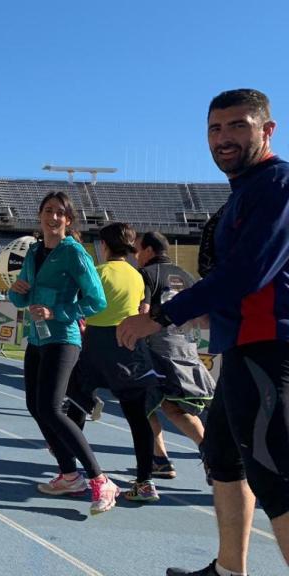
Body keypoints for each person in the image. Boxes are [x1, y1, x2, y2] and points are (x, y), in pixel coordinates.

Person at [118, 89, 289, 575]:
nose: (224, 138)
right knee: (223, 459)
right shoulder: (244, 193)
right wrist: (209, 313)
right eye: (215, 129)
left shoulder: (277, 183)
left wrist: (162, 315)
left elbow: (249, 272)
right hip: (240, 347)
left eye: (238, 126)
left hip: (269, 349)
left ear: (267, 130)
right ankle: (230, 569)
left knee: (275, 476)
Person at [8, 191, 119, 516]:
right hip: (37, 339)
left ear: (68, 220)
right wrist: (17, 293)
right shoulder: (34, 252)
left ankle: (100, 479)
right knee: (35, 405)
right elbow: (22, 300)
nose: (52, 217)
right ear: (40, 215)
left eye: (59, 213)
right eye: (47, 210)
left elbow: (96, 300)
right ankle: (69, 474)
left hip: (63, 338)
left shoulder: (74, 253)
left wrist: (56, 312)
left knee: (51, 407)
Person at [77, 223, 161, 503]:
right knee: (138, 417)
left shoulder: (98, 272)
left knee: (73, 403)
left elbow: (84, 305)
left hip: (97, 343)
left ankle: (71, 471)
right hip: (129, 346)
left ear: (104, 245)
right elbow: (140, 308)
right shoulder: (138, 276)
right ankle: (146, 481)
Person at [135, 230, 214, 480]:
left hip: (155, 351)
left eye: (137, 249)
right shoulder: (187, 276)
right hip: (186, 349)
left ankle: (160, 459)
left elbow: (144, 311)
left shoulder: (146, 274)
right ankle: (205, 454)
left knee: (141, 407)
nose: (135, 255)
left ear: (148, 251)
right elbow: (202, 319)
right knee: (173, 407)